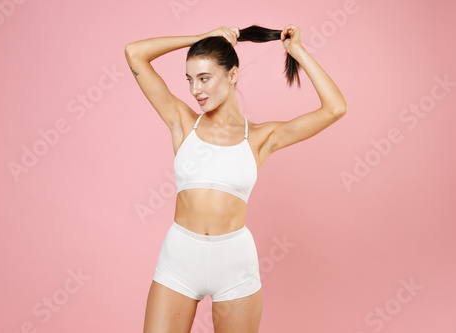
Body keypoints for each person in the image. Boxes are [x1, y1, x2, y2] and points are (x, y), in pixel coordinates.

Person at [125, 24, 347, 333]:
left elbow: (335, 108)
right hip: (179, 259)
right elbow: (134, 53)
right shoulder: (182, 122)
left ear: (232, 75)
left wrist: (297, 51)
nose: (195, 90)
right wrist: (201, 38)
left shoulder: (260, 137)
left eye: (204, 78)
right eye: (190, 80)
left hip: (234, 264)